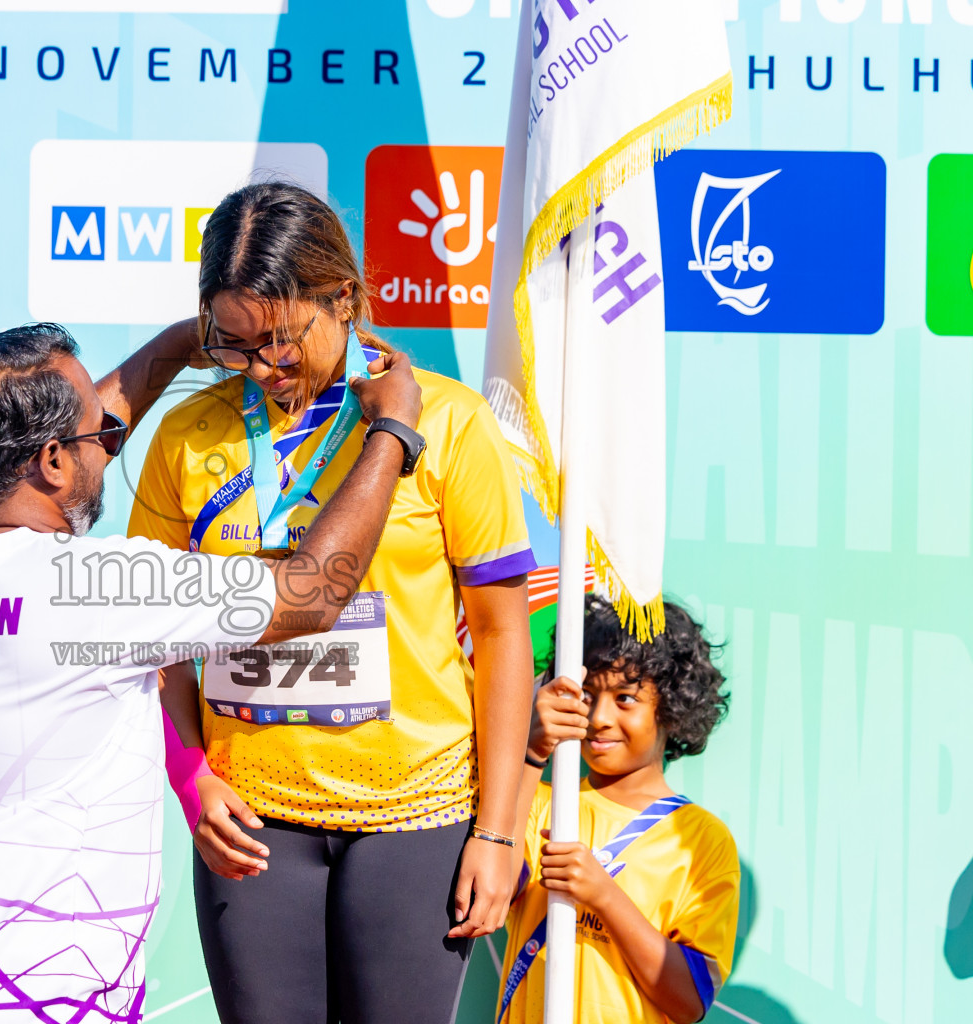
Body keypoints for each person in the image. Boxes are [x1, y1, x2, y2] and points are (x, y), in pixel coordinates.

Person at [0, 321, 423, 1023]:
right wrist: (393, 433)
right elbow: (313, 593)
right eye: (99, 436)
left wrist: (195, 335)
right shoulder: (97, 587)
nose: (111, 440)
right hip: (40, 1003)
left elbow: (69, 436)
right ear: (54, 461)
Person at [126, 181, 538, 1023]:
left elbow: (501, 637)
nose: (264, 366)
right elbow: (153, 637)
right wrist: (189, 776)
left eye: (281, 339)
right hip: (251, 817)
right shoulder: (187, 434)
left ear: (343, 298)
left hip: (417, 815)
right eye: (234, 345)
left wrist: (498, 833)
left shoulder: (449, 423)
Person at [498, 595, 740, 1024]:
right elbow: (492, 895)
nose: (599, 718)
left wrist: (604, 896)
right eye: (586, 694)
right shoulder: (538, 801)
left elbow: (689, 1001)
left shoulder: (702, 841)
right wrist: (532, 754)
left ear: (672, 705)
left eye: (625, 698)